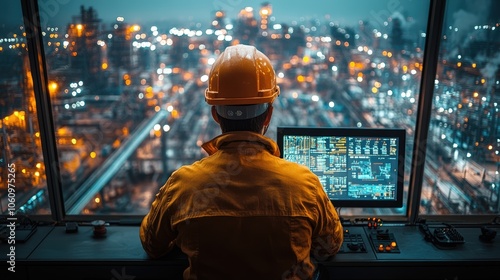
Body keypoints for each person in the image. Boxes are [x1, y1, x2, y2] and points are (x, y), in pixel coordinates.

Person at [140, 44, 344, 279]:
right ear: (268, 115)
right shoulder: (303, 184)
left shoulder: (184, 185)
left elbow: (152, 245)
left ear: (215, 114)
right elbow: (330, 246)